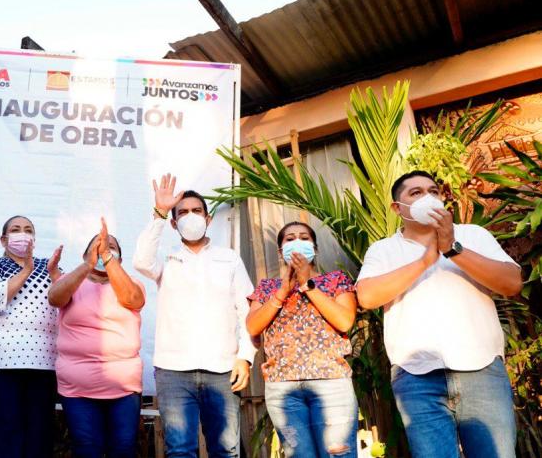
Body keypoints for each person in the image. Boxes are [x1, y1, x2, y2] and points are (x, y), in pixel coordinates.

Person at [356, 171, 522, 458]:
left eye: (433, 191)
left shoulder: (473, 235)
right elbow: (367, 297)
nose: (428, 197)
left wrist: (452, 249)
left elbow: (512, 283)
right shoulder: (383, 250)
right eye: (416, 193)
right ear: (397, 208)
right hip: (416, 376)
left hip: (482, 369)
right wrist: (425, 261)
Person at [133, 174, 255, 457]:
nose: (191, 217)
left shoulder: (229, 258)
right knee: (180, 451)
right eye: (183, 213)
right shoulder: (165, 258)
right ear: (174, 223)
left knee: (226, 451)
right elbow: (141, 261)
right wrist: (159, 212)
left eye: (197, 211)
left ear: (208, 218)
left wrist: (245, 357)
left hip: (223, 370)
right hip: (173, 371)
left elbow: (245, 311)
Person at [245, 222, 358, 457]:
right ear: (280, 252)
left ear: (314, 248)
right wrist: (282, 291)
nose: (297, 242)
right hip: (283, 389)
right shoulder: (268, 287)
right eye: (290, 239)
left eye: (304, 238)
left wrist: (308, 285)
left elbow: (344, 321)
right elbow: (253, 326)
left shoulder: (336, 280)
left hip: (331, 384)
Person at [48, 218, 146, 458]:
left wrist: (107, 259)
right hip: (77, 390)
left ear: (119, 259)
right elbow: (55, 298)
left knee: (123, 448)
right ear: (86, 255)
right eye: (98, 246)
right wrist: (87, 266)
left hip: (124, 388)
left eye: (110, 247)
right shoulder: (72, 282)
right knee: (86, 448)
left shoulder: (133, 284)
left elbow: (133, 300)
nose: (104, 250)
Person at [0, 215, 63, 457]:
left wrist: (55, 274)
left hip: (44, 362)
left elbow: (67, 299)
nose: (22, 234)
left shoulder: (49, 266)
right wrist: (26, 271)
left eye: (28, 230)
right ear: (4, 240)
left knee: (39, 435)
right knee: (7, 433)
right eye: (16, 229)